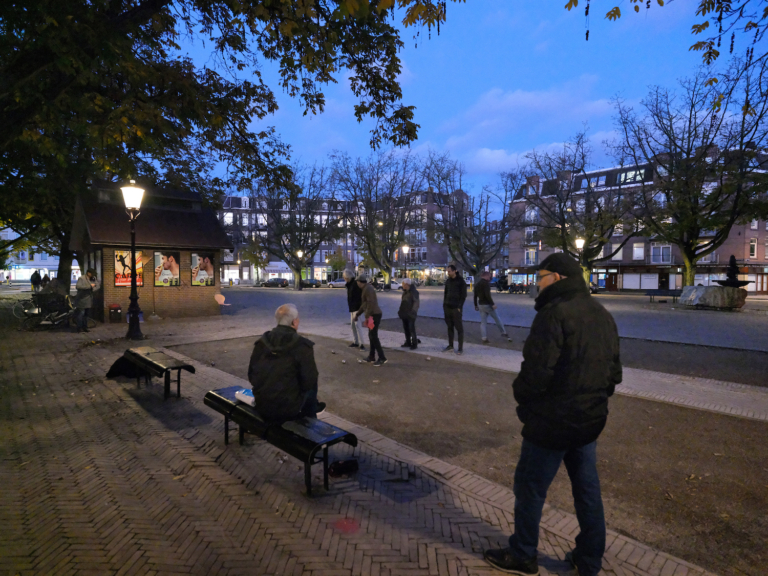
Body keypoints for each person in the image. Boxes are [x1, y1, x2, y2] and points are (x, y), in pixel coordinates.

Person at [483, 253, 622, 576]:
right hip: (589, 422)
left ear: (557, 278)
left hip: (552, 423)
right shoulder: (602, 315)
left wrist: (525, 403)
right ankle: (588, 560)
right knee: (587, 491)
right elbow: (614, 374)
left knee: (530, 488)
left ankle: (523, 554)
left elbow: (535, 373)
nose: (536, 283)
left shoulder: (553, 315)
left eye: (540, 276)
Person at [247, 304, 325, 422]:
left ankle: (312, 410)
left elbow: (251, 375)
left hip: (262, 403)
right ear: (294, 322)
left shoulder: (262, 343)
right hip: (288, 408)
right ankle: (311, 416)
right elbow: (309, 381)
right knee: (312, 381)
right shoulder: (302, 346)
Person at [354, 275, 386, 366]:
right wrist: (358, 314)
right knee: (371, 335)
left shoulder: (368, 289)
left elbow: (370, 303)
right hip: (373, 315)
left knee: (373, 336)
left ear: (360, 282)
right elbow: (364, 304)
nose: (357, 284)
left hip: (374, 315)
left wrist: (367, 316)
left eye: (357, 282)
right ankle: (371, 356)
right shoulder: (366, 288)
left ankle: (382, 357)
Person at [474, 271, 511, 344]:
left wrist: (475, 305)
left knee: (483, 322)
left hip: (481, 305)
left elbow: (475, 296)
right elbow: (487, 295)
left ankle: (484, 338)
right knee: (497, 318)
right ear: (486, 276)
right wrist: (492, 304)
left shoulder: (477, 284)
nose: (490, 278)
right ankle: (503, 332)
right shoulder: (486, 284)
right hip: (487, 305)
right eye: (489, 276)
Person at [442, 264, 467, 355]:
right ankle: (450, 345)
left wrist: (459, 307)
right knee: (450, 327)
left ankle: (460, 348)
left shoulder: (461, 281)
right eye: (447, 271)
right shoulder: (448, 281)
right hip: (447, 307)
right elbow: (446, 293)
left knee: (459, 328)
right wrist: (444, 305)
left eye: (449, 271)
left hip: (456, 308)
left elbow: (463, 295)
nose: (448, 273)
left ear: (454, 271)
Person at [344, 270, 365, 351]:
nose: (344, 279)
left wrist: (359, 308)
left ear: (347, 277)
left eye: (345, 277)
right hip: (352, 308)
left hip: (356, 308)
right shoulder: (350, 284)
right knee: (353, 325)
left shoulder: (355, 284)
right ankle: (356, 341)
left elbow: (359, 297)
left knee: (358, 325)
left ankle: (362, 343)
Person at [397, 277, 420, 350]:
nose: (402, 285)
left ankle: (414, 343)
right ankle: (408, 342)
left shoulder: (414, 292)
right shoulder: (405, 292)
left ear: (407, 284)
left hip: (410, 314)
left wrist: (413, 311)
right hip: (405, 313)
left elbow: (416, 302)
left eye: (403, 284)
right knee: (406, 329)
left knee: (411, 329)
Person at [75, 268, 100, 333]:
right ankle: (79, 327)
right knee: (81, 314)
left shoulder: (93, 278)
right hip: (82, 299)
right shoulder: (82, 278)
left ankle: (85, 327)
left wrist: (93, 289)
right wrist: (89, 286)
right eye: (92, 274)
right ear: (88, 273)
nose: (93, 275)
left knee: (86, 314)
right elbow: (78, 286)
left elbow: (97, 286)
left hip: (89, 299)